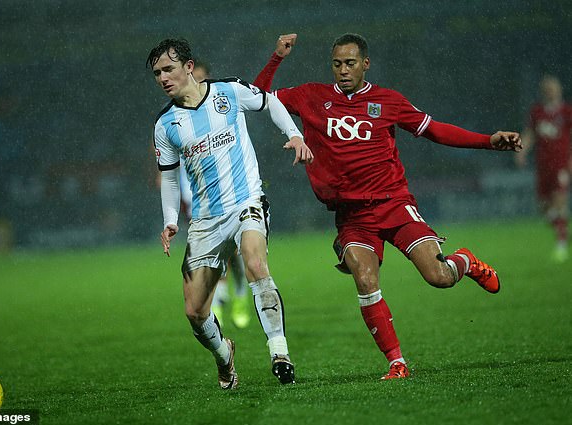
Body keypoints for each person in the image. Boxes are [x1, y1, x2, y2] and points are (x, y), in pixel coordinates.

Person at [254, 33, 522, 379]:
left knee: (438, 277)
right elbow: (256, 98)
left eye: (350, 63)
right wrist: (277, 57)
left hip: (394, 204)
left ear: (365, 64)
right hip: (352, 216)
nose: (343, 70)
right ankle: (397, 362)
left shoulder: (387, 101)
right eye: (337, 64)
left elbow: (434, 130)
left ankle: (465, 261)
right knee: (365, 280)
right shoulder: (311, 96)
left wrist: (488, 141)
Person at [148, 38, 313, 389]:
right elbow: (170, 178)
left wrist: (295, 135)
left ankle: (279, 352)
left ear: (188, 67)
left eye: (168, 69)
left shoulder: (229, 92)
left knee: (255, 263)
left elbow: (270, 102)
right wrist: (170, 221)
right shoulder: (165, 125)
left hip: (246, 202)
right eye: (157, 73)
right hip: (205, 221)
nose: (163, 78)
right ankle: (225, 355)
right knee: (194, 311)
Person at [192, 62, 252, 329]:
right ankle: (216, 305)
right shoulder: (176, 117)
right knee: (210, 252)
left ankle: (238, 296)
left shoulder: (221, 107)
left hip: (233, 190)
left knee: (236, 253)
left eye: (202, 78)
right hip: (198, 195)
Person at [516, 75, 571, 262]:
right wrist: (522, 151)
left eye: (553, 88)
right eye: (547, 89)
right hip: (543, 165)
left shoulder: (566, 112)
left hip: (561, 164)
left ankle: (561, 245)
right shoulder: (537, 112)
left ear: (559, 90)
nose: (550, 91)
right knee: (544, 208)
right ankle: (562, 229)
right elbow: (530, 133)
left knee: (559, 201)